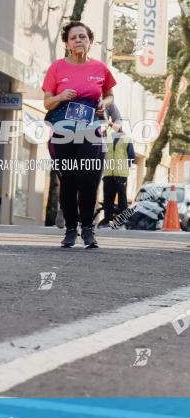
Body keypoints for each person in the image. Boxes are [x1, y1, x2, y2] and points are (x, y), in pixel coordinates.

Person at [42, 20, 116, 249]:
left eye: (83, 37)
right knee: (68, 180)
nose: (78, 41)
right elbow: (46, 102)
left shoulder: (100, 68)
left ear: (90, 42)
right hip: (63, 130)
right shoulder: (57, 68)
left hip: (91, 129)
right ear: (66, 43)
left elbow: (110, 95)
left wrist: (104, 102)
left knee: (88, 179)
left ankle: (88, 229)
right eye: (73, 37)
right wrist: (61, 96)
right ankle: (71, 230)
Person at [99, 115, 136, 225]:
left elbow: (131, 156)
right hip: (108, 173)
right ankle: (107, 219)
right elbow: (101, 152)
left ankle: (122, 220)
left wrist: (124, 167)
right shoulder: (107, 138)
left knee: (122, 198)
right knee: (108, 197)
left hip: (121, 174)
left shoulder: (127, 139)